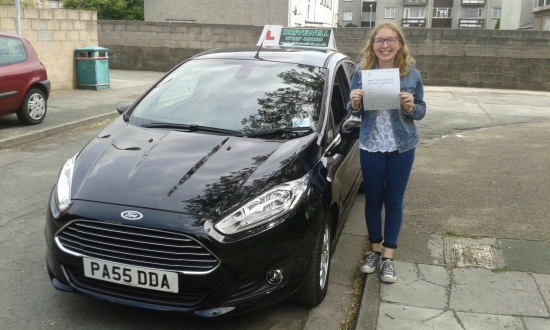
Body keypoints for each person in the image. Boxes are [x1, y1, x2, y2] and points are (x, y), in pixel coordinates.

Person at [346, 22, 426, 283]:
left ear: (400, 44)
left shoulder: (411, 74)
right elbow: (353, 110)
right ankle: (374, 250)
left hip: (402, 147)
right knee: (372, 202)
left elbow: (422, 111)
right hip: (371, 145)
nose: (385, 45)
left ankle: (388, 257)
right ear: (372, 45)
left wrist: (412, 106)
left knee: (394, 202)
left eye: (390, 40)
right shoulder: (362, 71)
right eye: (379, 41)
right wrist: (355, 102)